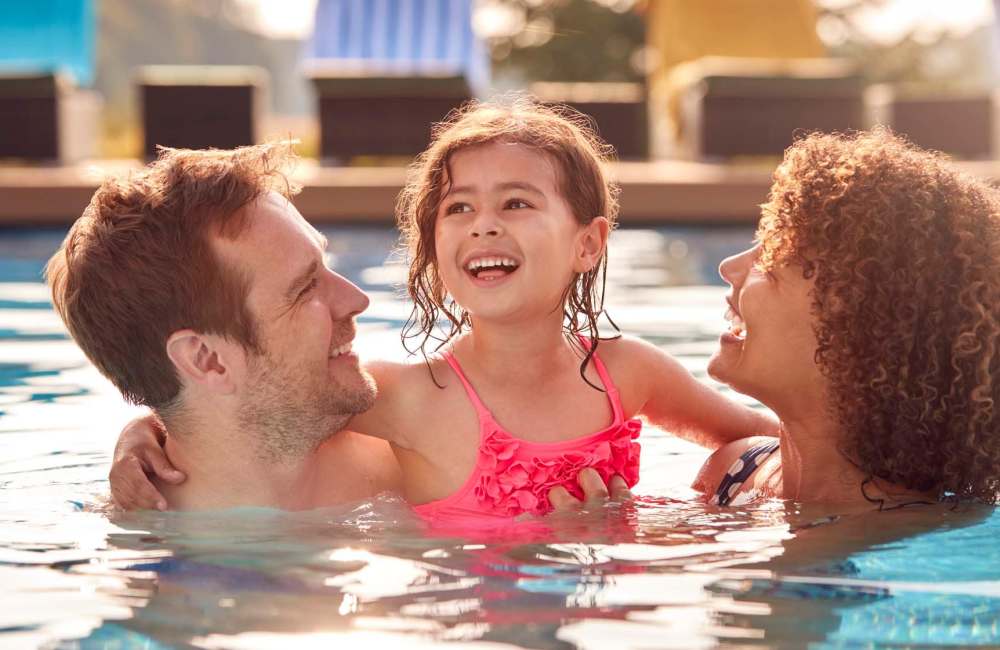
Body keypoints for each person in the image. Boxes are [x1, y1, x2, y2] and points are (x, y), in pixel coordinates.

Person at [111, 97, 778, 520]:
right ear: (432, 244)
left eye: (516, 203)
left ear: (588, 243)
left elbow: (764, 438)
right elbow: (248, 411)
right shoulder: (407, 395)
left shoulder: (630, 374)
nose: (483, 226)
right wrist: (142, 433)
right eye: (459, 209)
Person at [694, 128, 1000, 508]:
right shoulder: (733, 471)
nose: (729, 267)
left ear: (856, 324)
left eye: (772, 259)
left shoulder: (914, 546)